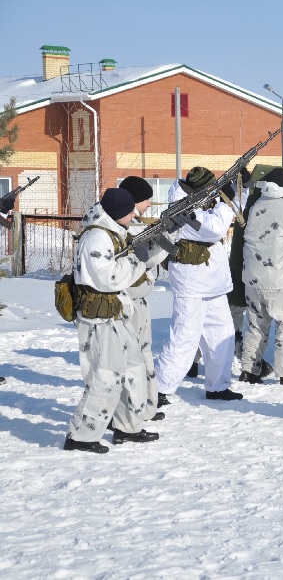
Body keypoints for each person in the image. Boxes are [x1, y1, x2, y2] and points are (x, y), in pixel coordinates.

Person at [63, 188, 161, 453]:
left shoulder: (115, 232)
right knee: (105, 378)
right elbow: (109, 278)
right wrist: (137, 262)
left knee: (133, 367)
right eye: (129, 210)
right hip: (98, 319)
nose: (134, 214)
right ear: (118, 213)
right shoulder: (95, 237)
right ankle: (81, 436)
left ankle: (126, 426)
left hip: (116, 314)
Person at [154, 166, 243, 403]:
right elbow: (213, 229)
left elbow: (233, 212)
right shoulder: (182, 208)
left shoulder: (202, 201)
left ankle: (218, 386)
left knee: (221, 334)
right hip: (192, 282)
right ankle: (161, 388)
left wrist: (230, 192)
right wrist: (226, 202)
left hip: (213, 281)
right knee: (185, 336)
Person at [239, 167, 283, 386]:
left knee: (255, 325)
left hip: (252, 278)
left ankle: (249, 370)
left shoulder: (256, 206)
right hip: (282, 279)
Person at [119, 176, 168, 423]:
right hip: (127, 301)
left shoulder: (135, 224)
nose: (149, 203)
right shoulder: (127, 227)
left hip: (140, 299)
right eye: (146, 199)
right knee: (132, 358)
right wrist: (166, 240)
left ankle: (147, 404)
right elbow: (146, 260)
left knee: (144, 353)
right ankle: (131, 408)